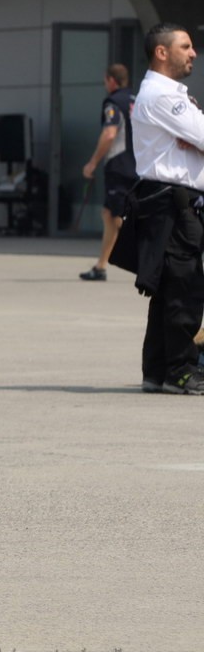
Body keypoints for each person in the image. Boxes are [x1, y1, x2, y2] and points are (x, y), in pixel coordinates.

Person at [123, 24, 202, 394]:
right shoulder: (162, 96)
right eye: (185, 46)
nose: (193, 53)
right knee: (183, 288)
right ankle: (181, 371)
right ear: (162, 52)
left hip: (168, 201)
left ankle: (156, 372)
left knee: (168, 288)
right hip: (171, 204)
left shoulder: (164, 96)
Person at [78, 64, 136, 280]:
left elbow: (110, 134)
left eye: (105, 80)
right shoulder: (135, 100)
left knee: (116, 217)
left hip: (119, 166)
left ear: (111, 80)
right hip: (139, 165)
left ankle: (103, 266)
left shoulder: (113, 103)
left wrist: (92, 163)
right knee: (111, 214)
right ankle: (101, 264)